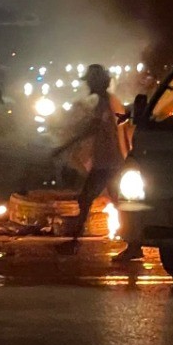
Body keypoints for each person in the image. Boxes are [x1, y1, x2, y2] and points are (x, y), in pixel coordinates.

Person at [52, 64, 128, 254]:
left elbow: (93, 129)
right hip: (113, 160)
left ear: (97, 82)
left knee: (86, 199)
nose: (87, 85)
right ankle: (134, 244)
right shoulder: (109, 102)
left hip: (108, 162)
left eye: (89, 81)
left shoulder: (107, 103)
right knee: (119, 202)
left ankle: (75, 242)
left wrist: (65, 146)